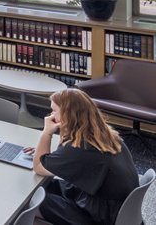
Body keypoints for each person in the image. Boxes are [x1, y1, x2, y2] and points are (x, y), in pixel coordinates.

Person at [22, 89, 139, 225]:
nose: (51, 115)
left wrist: (47, 132)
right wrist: (47, 154)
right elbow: (75, 157)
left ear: (68, 115)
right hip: (115, 207)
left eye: (54, 110)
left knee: (31, 202)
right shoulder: (101, 134)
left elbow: (39, 167)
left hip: (100, 215)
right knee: (48, 186)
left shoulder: (80, 147)